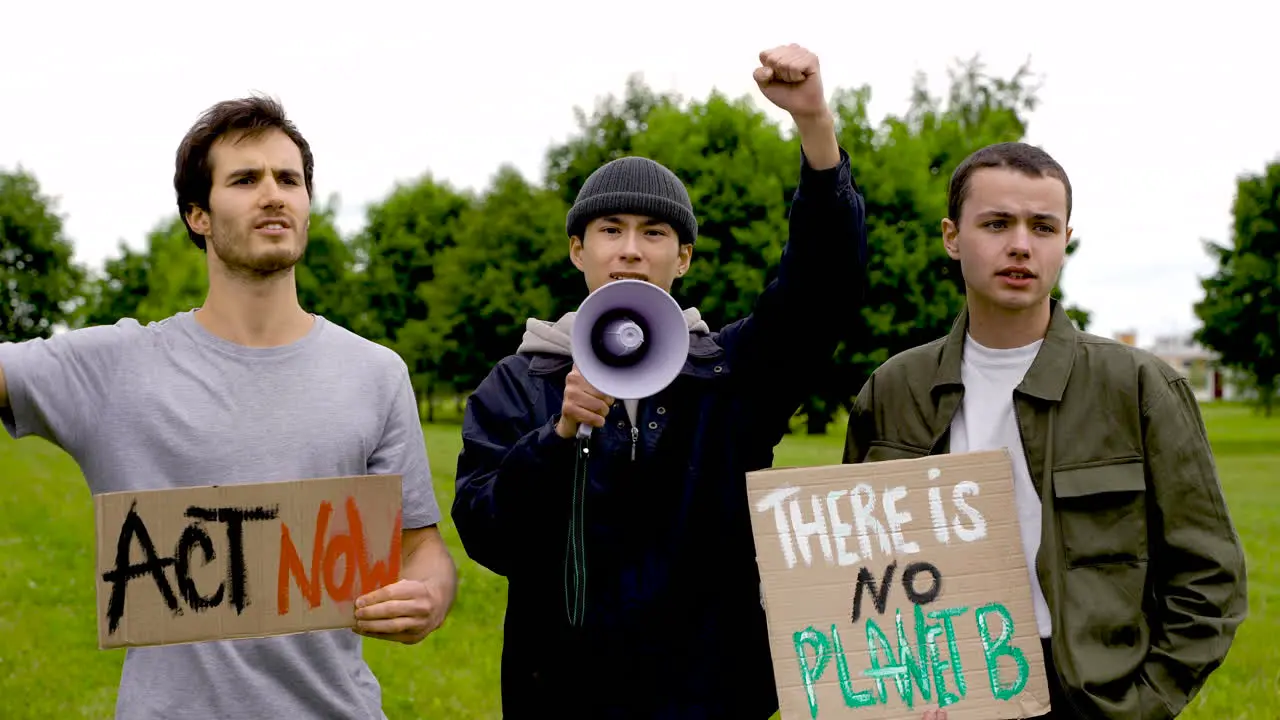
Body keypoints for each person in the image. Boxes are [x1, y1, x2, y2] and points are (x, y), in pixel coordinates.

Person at [0, 95, 457, 719]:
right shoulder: (115, 368)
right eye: (245, 179)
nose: (273, 194)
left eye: (288, 179)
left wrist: (430, 594)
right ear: (199, 215)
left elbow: (422, 547)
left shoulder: (376, 374)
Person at [451, 44, 868, 718]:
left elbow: (824, 288)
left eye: (654, 233)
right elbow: (488, 535)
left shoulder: (729, 375)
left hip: (711, 698)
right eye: (610, 230)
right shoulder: (519, 382)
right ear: (577, 251)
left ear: (684, 259)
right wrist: (557, 437)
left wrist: (815, 125)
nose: (631, 250)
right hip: (561, 699)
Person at [843, 142, 1248, 720]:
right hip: (934, 696)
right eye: (997, 223)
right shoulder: (892, 390)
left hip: (1083, 700)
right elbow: (853, 567)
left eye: (1043, 227)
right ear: (952, 237)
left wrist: (1140, 705)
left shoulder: (1138, 386)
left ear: (1065, 240)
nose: (1020, 245)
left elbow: (1210, 579)